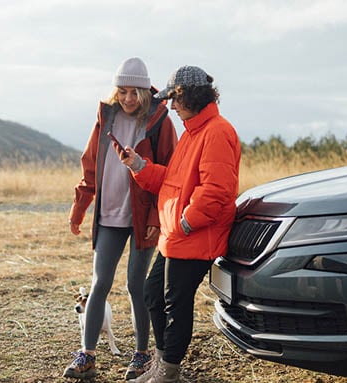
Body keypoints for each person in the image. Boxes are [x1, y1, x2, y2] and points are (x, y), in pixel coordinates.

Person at [119, 66, 240, 383]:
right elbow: (173, 182)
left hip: (194, 237)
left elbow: (216, 191)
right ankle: (163, 366)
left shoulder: (216, 132)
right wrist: (139, 165)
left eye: (174, 99)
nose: (171, 106)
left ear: (189, 96)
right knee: (153, 296)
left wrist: (186, 222)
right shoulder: (192, 132)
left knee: (174, 305)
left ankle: (168, 372)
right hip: (176, 237)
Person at [65, 57, 178, 380]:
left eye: (135, 92)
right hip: (110, 214)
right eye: (123, 91)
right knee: (99, 283)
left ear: (145, 93)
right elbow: (90, 165)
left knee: (135, 285)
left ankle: (141, 355)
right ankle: (87, 354)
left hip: (144, 218)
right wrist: (79, 208)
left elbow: (171, 173)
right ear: (116, 92)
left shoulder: (159, 122)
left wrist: (159, 214)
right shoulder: (106, 118)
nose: (129, 98)